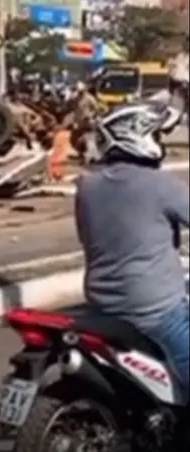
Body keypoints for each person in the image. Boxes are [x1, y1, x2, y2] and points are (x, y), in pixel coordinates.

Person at [75, 101, 189, 399]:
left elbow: (87, 238)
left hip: (100, 305)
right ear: (138, 136)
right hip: (155, 310)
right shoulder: (160, 183)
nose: (160, 143)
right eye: (157, 135)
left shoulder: (87, 186)